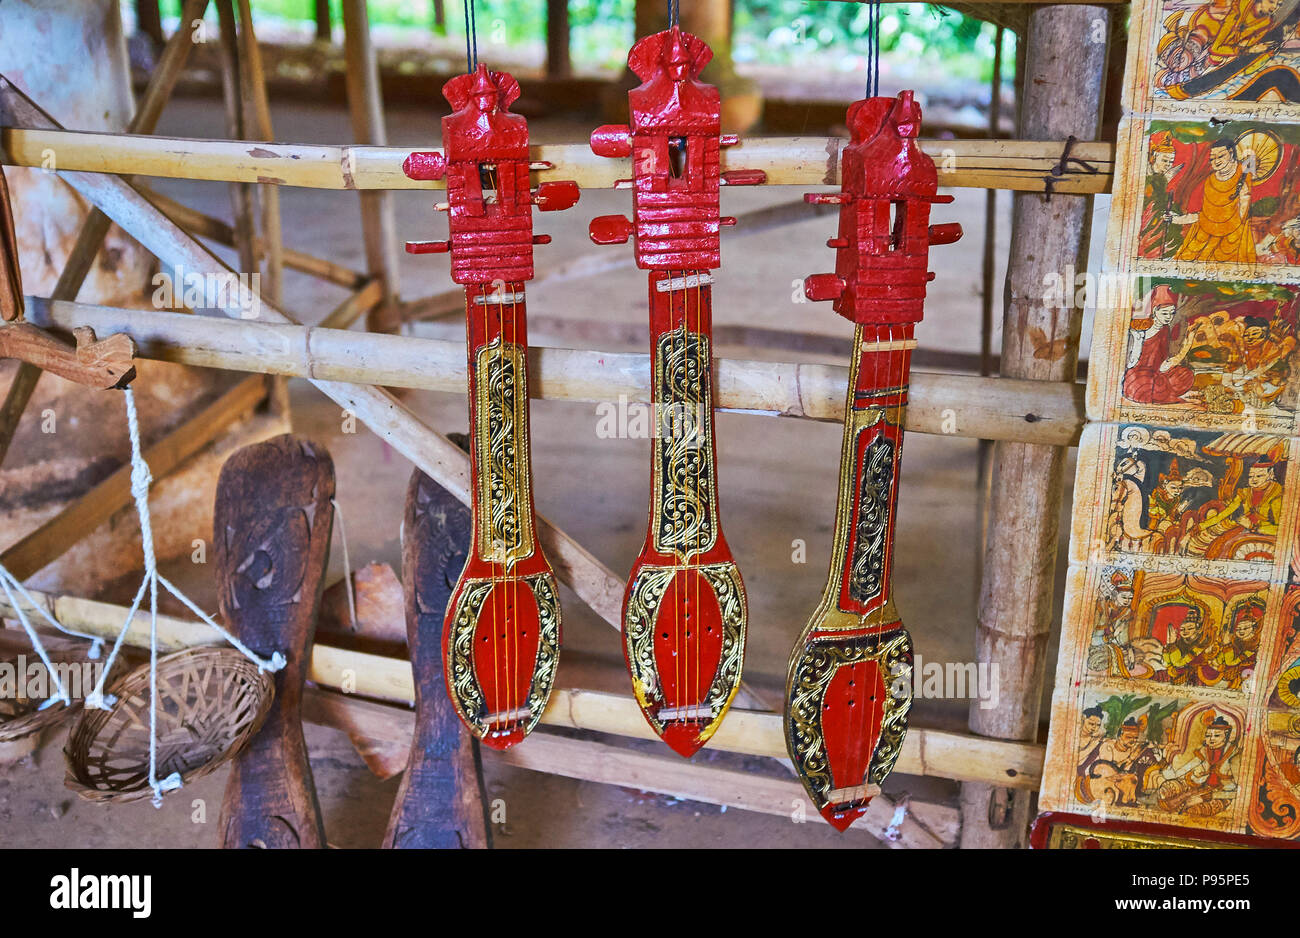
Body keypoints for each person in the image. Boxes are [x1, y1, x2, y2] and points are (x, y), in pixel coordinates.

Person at [1171, 138, 1257, 264]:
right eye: (1212, 158)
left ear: (1231, 153)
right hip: (1205, 234)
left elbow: (1242, 211)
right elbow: (1206, 216)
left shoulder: (1243, 175)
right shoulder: (1210, 181)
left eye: (1221, 156)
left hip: (1233, 237)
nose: (1216, 161)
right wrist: (1177, 220)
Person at [1124, 285, 1198, 404]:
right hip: (1139, 375)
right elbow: (1130, 361)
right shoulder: (1140, 331)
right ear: (1154, 311)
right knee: (1143, 386)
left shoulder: (1164, 330)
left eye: (1171, 313)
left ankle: (1162, 390)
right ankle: (1164, 393)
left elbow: (1163, 357)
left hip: (1158, 373)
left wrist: (1166, 366)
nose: (1169, 317)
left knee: (1185, 375)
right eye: (1165, 313)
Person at [1156, 714, 1238, 817]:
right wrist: (1170, 775)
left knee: (1193, 811)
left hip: (1220, 794)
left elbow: (1238, 792)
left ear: (1226, 735)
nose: (1211, 739)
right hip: (1200, 785)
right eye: (1208, 736)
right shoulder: (1205, 751)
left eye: (1217, 735)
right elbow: (1188, 766)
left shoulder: (1234, 755)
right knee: (1166, 790)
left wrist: (1204, 798)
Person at [1140, 133, 1184, 257]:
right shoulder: (1145, 177)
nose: (1168, 165)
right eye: (1164, 160)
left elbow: (1164, 201)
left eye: (1171, 162)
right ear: (1154, 156)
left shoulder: (1161, 179)